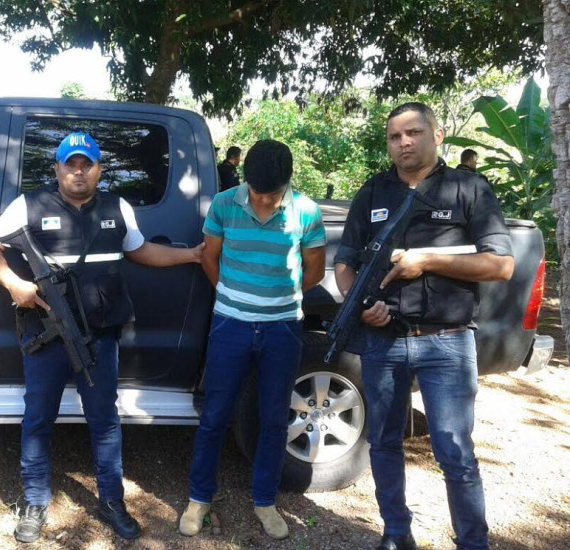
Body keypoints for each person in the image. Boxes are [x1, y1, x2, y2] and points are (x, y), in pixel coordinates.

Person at [0, 131, 203, 544]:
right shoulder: (29, 204)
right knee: (38, 418)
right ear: (57, 169)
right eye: (70, 164)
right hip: (46, 334)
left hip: (99, 336)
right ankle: (34, 501)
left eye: (87, 164)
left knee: (104, 421)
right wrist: (14, 285)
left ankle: (111, 500)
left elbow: (140, 250)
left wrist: (190, 255)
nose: (78, 172)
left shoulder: (117, 207)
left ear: (99, 169)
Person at [333, 102, 513, 550]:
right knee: (384, 444)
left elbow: (502, 265)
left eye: (413, 133)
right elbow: (343, 262)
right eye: (395, 137)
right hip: (382, 341)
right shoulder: (373, 192)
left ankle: (473, 541)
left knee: (455, 453)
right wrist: (362, 307)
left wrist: (426, 261)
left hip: (447, 342)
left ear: (437, 133)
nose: (404, 143)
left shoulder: (469, 189)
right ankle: (396, 534)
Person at [179, 139, 326, 540]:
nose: (262, 200)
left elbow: (314, 269)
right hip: (230, 326)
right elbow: (209, 257)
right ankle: (198, 498)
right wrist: (232, 296)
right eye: (256, 192)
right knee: (214, 416)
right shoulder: (225, 204)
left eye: (271, 193)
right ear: (244, 180)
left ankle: (265, 501)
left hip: (282, 328)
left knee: (274, 420)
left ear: (287, 183)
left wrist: (282, 299)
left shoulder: (307, 211)